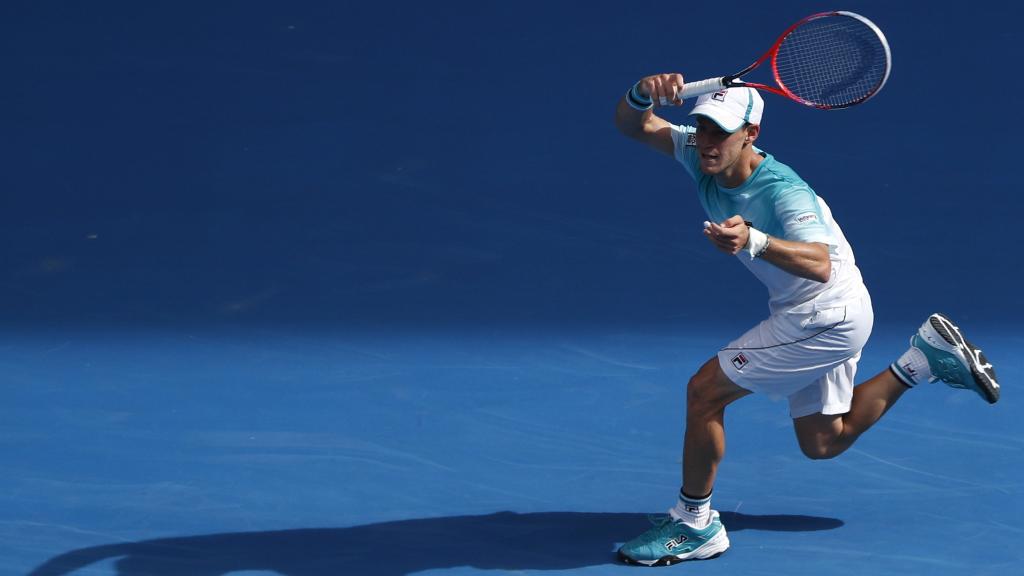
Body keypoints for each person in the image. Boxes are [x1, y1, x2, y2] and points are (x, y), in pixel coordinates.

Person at [612, 73, 1001, 567]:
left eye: (721, 132)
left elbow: (818, 262)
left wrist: (754, 239)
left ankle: (694, 524)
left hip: (825, 315)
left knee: (704, 392)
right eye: (702, 128)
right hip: (836, 309)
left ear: (750, 134)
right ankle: (920, 360)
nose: (707, 141)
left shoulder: (783, 191)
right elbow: (634, 126)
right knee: (823, 441)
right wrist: (642, 94)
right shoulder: (698, 151)